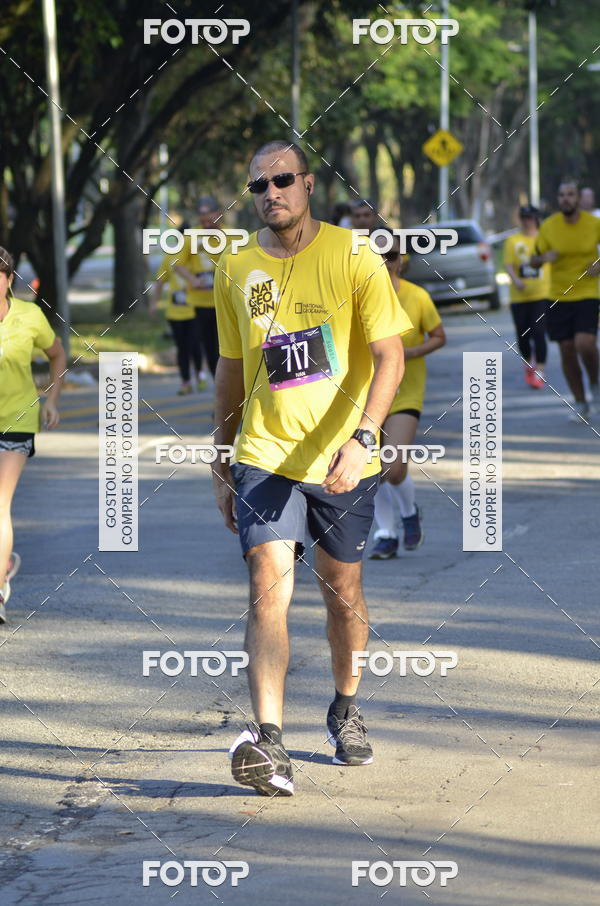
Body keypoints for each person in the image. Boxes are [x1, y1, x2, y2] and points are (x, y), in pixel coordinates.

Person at [212, 140, 412, 796]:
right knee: (268, 582)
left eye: (282, 180)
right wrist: (219, 456)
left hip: (342, 459)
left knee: (342, 593)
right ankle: (269, 743)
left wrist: (363, 439)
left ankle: (345, 706)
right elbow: (232, 368)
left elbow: (389, 356)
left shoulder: (354, 255)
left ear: (308, 183)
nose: (271, 193)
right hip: (264, 455)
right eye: (259, 185)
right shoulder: (236, 267)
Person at [369, 232, 446, 559]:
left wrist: (410, 353)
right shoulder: (358, 296)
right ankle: (385, 534)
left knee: (393, 468)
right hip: (365, 394)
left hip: (404, 393)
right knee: (370, 469)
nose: (385, 264)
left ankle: (409, 511)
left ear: (400, 261)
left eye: (391, 257)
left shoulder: (417, 297)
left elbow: (439, 336)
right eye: (378, 257)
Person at [0, 247, 66, 623]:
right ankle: (3, 563)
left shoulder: (29, 315)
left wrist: (51, 400)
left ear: (9, 280)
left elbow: (57, 355)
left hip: (17, 418)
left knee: (0, 505)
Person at [530, 180, 600, 421]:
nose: (566, 199)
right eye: (562, 195)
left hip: (587, 293)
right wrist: (542, 258)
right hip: (558, 296)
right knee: (567, 350)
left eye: (571, 195)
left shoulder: (594, 224)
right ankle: (580, 402)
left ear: (579, 199)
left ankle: (595, 382)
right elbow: (533, 261)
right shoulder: (549, 227)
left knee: (585, 344)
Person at [175, 197, 223, 385]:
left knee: (228, 349)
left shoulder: (231, 236)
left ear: (218, 214)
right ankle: (220, 390)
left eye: (208, 213)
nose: (205, 219)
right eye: (201, 214)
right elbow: (177, 264)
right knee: (210, 350)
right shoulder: (191, 236)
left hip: (225, 304)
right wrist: (192, 279)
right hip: (200, 305)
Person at [503, 204, 550, 389]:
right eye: (523, 218)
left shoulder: (545, 239)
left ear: (536, 219)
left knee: (539, 332)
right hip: (519, 296)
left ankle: (540, 370)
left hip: (541, 293)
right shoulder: (513, 240)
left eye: (530, 218)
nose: (527, 221)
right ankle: (529, 362)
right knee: (523, 335)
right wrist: (515, 280)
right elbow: (507, 264)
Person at [152, 248, 201, 395]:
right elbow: (160, 282)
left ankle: (200, 373)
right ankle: (185, 382)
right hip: (175, 312)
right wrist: (153, 303)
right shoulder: (169, 258)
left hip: (195, 311)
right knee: (182, 348)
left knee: (195, 345)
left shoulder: (197, 257)